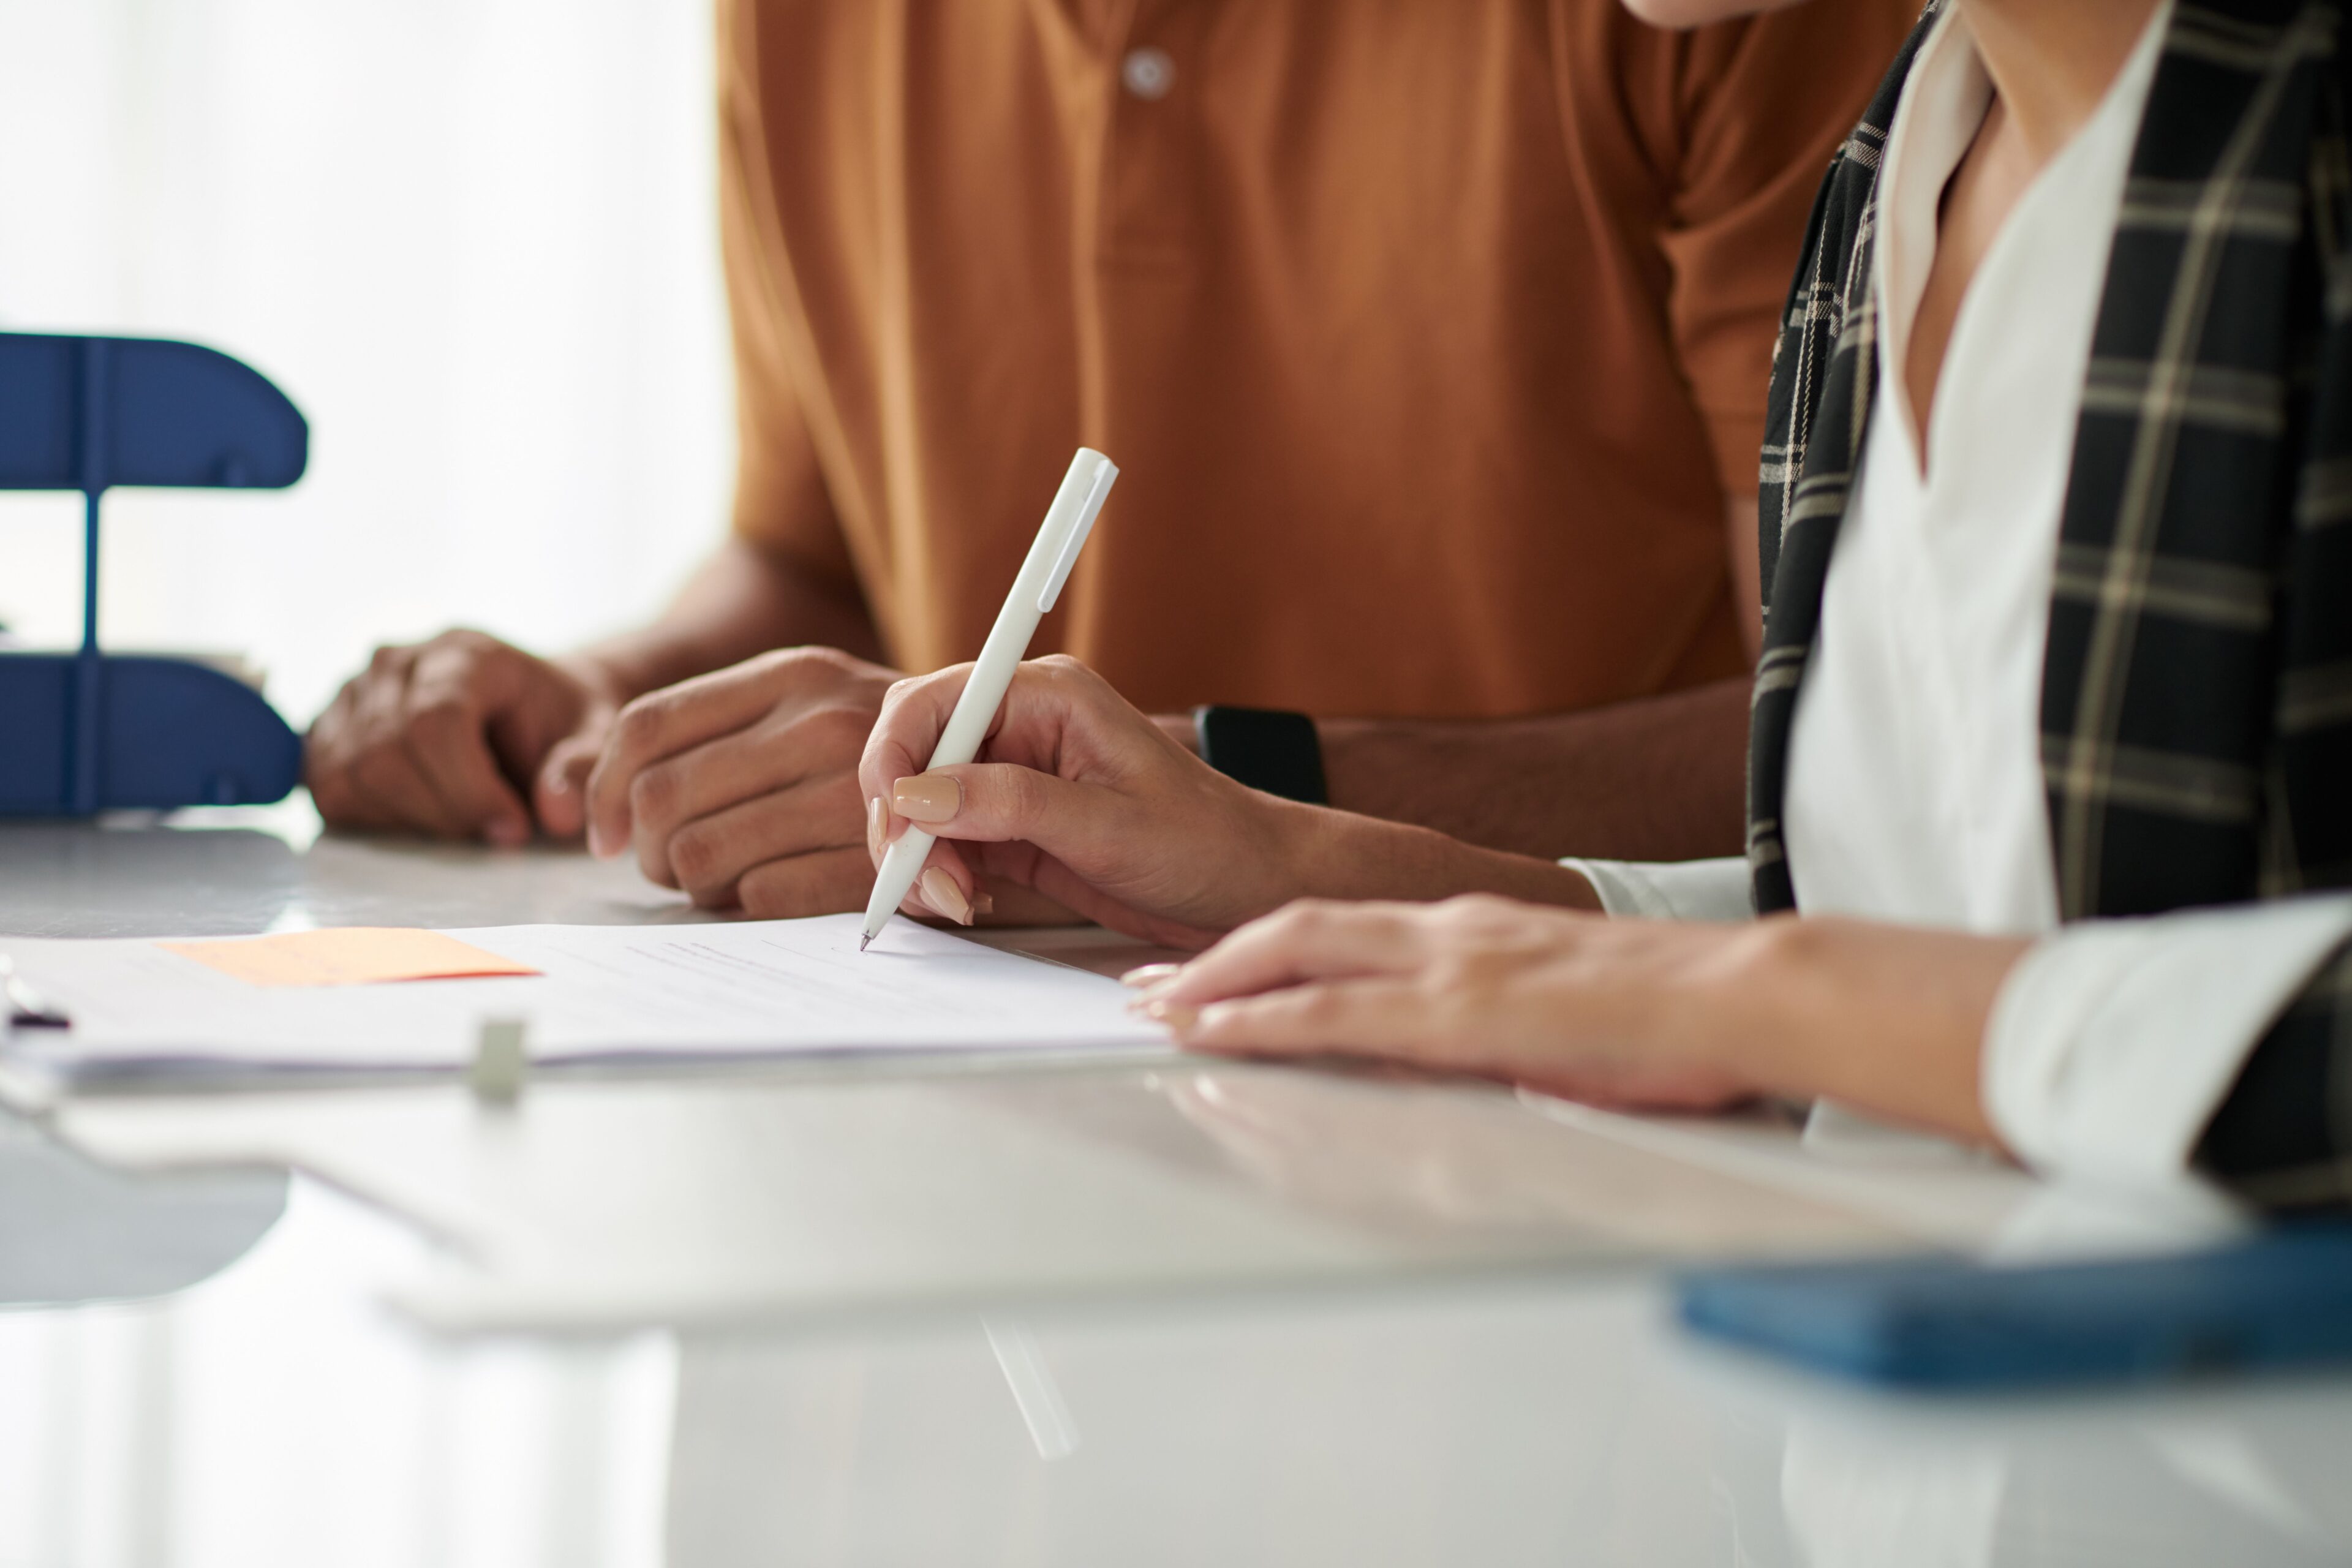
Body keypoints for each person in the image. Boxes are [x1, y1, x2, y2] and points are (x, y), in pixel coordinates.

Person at [856, 0, 2352, 1205]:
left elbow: (1866, 984)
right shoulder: (1910, 150)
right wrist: (1298, 858)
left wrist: (1780, 997)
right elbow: (1919, 931)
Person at [303, 0, 1913, 922]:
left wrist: (1228, 794)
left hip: (1540, 1096)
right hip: (985, 1080)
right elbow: (811, 557)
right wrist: (605, 697)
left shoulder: (1702, 4)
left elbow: (1857, 756)